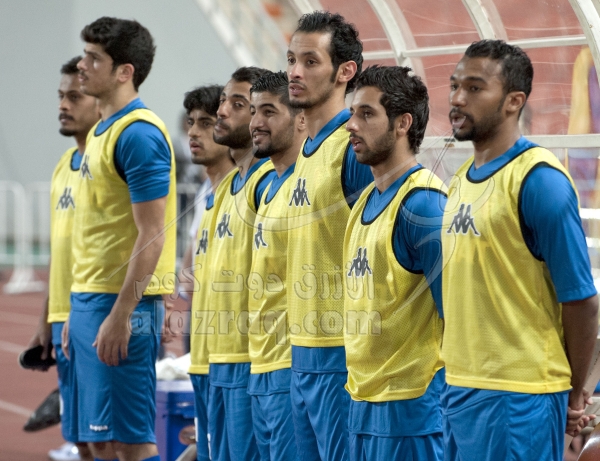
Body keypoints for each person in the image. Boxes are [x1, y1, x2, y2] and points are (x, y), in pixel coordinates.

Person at [442, 39, 599, 461]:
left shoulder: (540, 181)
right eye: (455, 85)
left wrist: (573, 392)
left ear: (514, 101)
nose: (457, 99)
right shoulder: (460, 180)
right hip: (458, 386)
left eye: (474, 88)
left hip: (519, 396)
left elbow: (581, 301)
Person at [64, 17, 177, 461]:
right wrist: (77, 304)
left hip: (121, 303)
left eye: (94, 58)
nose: (82, 64)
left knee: (130, 441)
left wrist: (122, 313)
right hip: (91, 298)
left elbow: (153, 233)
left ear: (124, 72)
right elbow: (98, 229)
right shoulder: (101, 130)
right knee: (100, 441)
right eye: (84, 54)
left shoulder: (139, 135)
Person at [344, 65, 446, 461]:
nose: (352, 125)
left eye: (367, 114)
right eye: (353, 113)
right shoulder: (363, 204)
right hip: (362, 404)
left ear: (403, 123)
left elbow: (459, 319)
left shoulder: (424, 206)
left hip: (411, 412)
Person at [285, 11, 373, 460]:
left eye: (310, 62)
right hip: (301, 352)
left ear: (345, 71)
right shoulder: (306, 148)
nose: (295, 72)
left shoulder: (354, 151)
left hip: (341, 353)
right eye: (291, 60)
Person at [27, 56, 100, 461]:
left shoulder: (106, 163)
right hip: (62, 318)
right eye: (60, 96)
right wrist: (46, 319)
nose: (63, 105)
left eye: (74, 96)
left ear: (98, 101)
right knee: (80, 439)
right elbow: (60, 249)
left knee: (107, 438)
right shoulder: (62, 167)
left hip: (93, 313)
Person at [206, 66, 275, 461]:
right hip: (219, 357)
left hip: (250, 360)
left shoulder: (266, 183)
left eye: (237, 104)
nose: (221, 111)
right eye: (223, 101)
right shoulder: (228, 186)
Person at [247, 70, 306, 461]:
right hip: (261, 364)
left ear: (300, 119)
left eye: (268, 111)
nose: (255, 122)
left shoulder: (311, 184)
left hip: (291, 366)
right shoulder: (268, 187)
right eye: (254, 111)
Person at [183, 84, 235, 461]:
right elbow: (189, 271)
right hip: (202, 353)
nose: (193, 132)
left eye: (205, 123)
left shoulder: (243, 191)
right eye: (191, 122)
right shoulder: (207, 190)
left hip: (232, 360)